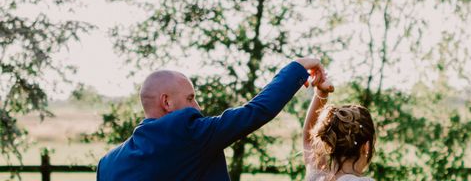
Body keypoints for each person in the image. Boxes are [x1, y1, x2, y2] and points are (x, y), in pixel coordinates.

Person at [97, 57, 327, 181]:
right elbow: (256, 111)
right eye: (190, 98)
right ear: (166, 102)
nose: (197, 107)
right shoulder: (189, 133)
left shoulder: (107, 165)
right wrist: (297, 67)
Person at [302, 76, 377, 181]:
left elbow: (309, 141)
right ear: (366, 147)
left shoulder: (317, 178)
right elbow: (309, 140)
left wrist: (321, 93)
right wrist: (321, 93)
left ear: (330, 143)